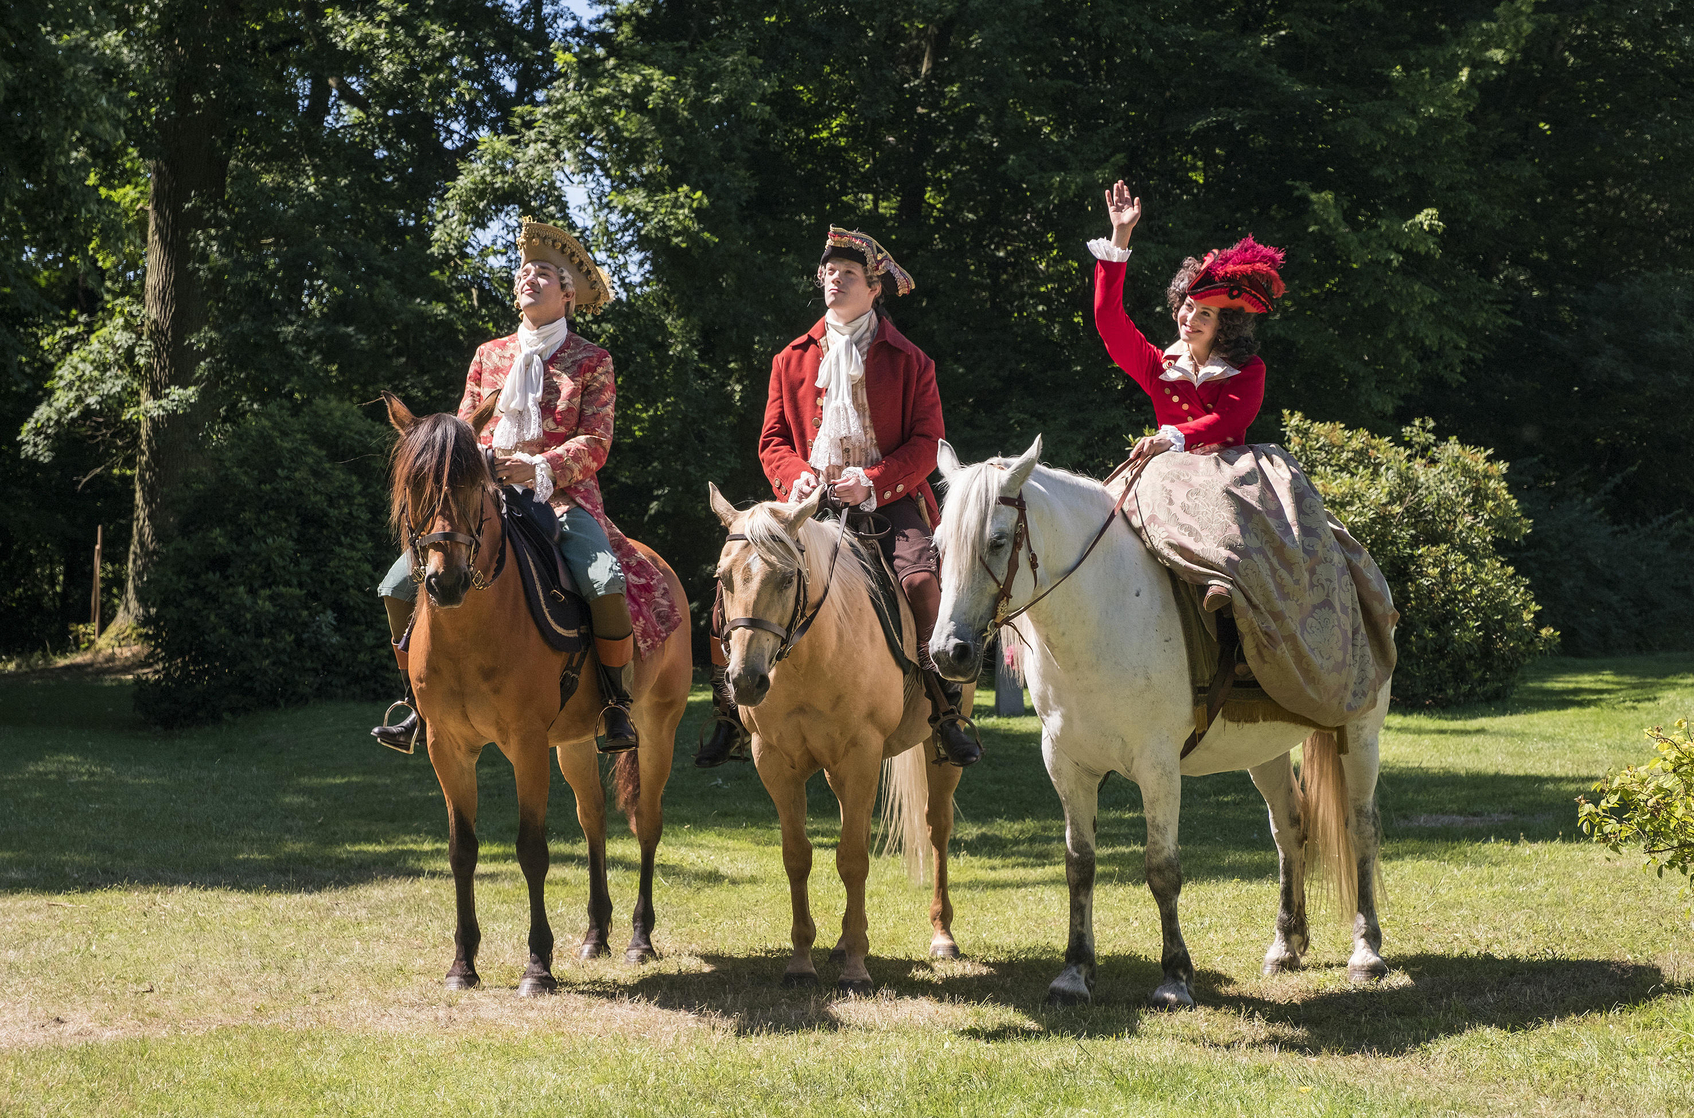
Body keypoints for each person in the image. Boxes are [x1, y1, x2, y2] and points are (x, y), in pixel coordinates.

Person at [372, 217, 682, 753]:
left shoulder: (593, 361)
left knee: (604, 576)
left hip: (559, 498)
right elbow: (464, 429)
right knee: (397, 584)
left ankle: (613, 704)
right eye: (523, 270)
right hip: (483, 498)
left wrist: (536, 468)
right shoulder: (487, 356)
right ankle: (418, 706)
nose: (528, 278)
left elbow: (596, 442)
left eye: (543, 272)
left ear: (567, 294)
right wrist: (483, 463)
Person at [694, 226, 982, 769]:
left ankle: (945, 713)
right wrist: (797, 477)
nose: (834, 280)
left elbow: (927, 444)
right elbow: (772, 440)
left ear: (875, 289)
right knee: (733, 573)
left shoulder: (912, 361)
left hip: (889, 502)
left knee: (922, 582)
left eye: (848, 274)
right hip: (806, 502)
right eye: (829, 273)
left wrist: (873, 481)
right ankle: (728, 714)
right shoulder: (790, 358)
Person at [1089, 182, 1286, 612]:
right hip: (1166, 469)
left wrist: (1172, 437)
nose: (1189, 317)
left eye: (1205, 313)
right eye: (1188, 305)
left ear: (1226, 326)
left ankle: (1224, 582)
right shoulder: (1158, 366)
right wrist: (1120, 236)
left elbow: (1226, 424)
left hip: (1228, 472)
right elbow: (1108, 321)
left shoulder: (1249, 371)